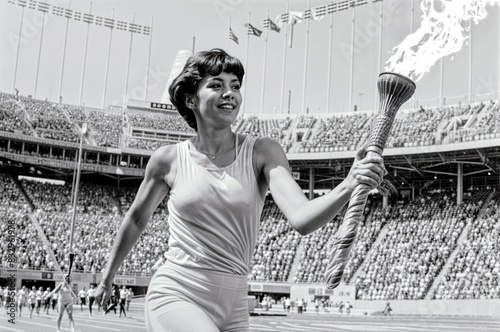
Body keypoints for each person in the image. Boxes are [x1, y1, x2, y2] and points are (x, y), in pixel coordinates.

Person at [95, 48, 386, 332]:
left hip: (235, 304)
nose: (229, 93)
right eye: (216, 85)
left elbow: (301, 218)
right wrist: (107, 277)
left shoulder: (263, 151)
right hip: (178, 291)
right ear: (190, 99)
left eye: (235, 85)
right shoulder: (168, 160)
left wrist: (348, 184)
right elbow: (135, 219)